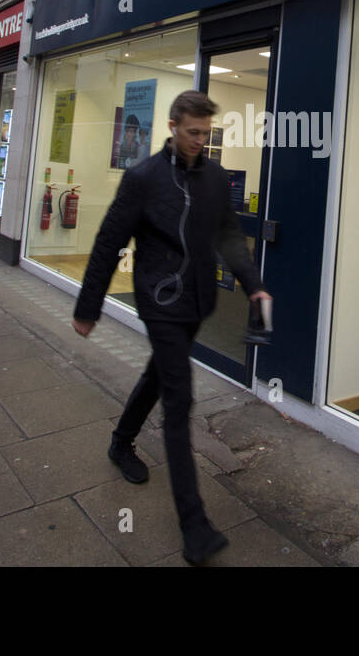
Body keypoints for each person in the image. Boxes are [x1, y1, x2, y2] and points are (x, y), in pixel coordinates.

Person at [72, 90, 272, 565]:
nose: (200, 141)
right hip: (160, 300)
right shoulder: (144, 179)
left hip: (197, 300)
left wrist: (254, 285)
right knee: (179, 398)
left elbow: (228, 235)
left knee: (161, 375)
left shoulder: (215, 177)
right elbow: (107, 242)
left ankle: (121, 442)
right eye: (192, 132)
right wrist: (88, 306)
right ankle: (195, 526)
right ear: (172, 125)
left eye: (206, 134)